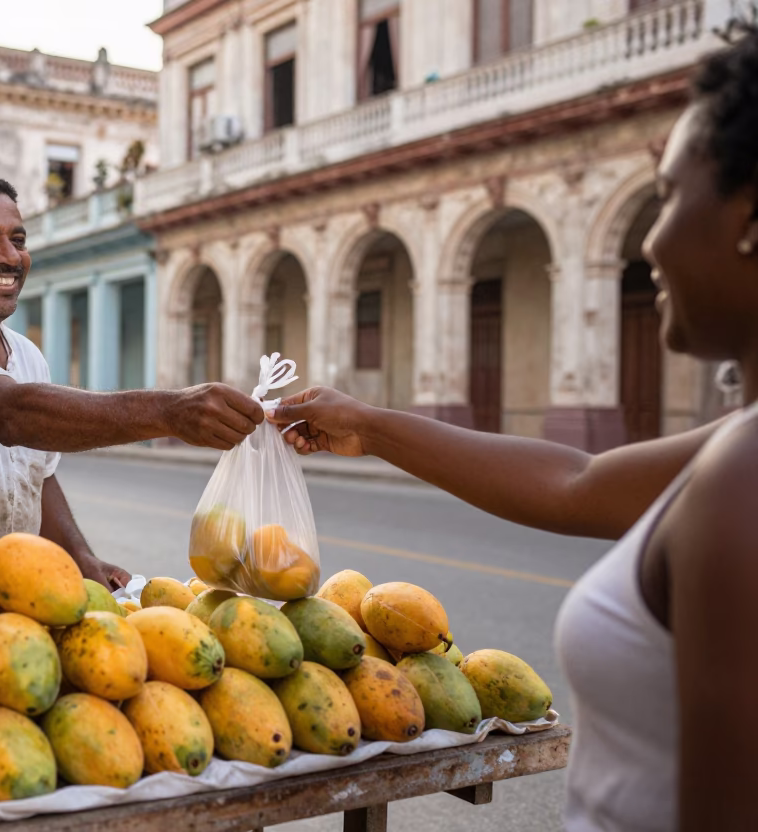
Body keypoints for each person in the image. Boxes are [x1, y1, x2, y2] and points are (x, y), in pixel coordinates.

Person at [269, 24, 758, 832]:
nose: (650, 239)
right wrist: (371, 426)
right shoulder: (735, 449)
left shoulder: (745, 474)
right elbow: (578, 483)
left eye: (670, 195)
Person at [0, 173, 265, 630]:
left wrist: (80, 557)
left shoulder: (27, 356)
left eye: (18, 239)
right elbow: (12, 415)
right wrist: (170, 412)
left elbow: (37, 473)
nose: (10, 257)